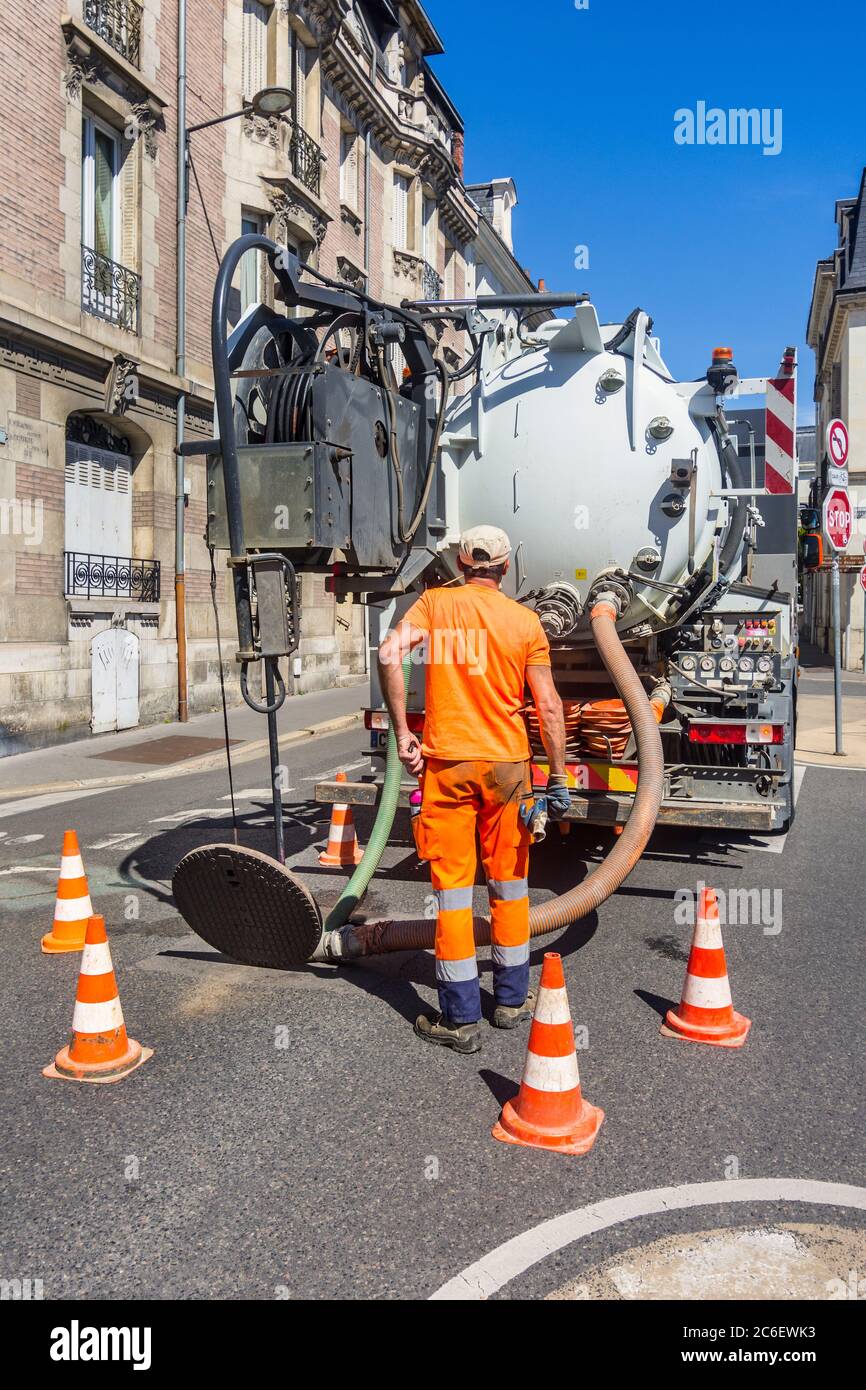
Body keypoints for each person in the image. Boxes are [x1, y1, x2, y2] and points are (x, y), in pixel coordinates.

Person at [377, 525, 569, 1055]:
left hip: (449, 766)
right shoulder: (526, 622)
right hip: (509, 769)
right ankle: (511, 1000)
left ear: (461, 562)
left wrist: (404, 733)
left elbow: (391, 653)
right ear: (506, 568)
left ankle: (459, 1018)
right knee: (509, 885)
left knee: (455, 894)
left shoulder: (435, 605)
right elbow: (549, 706)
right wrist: (557, 775)